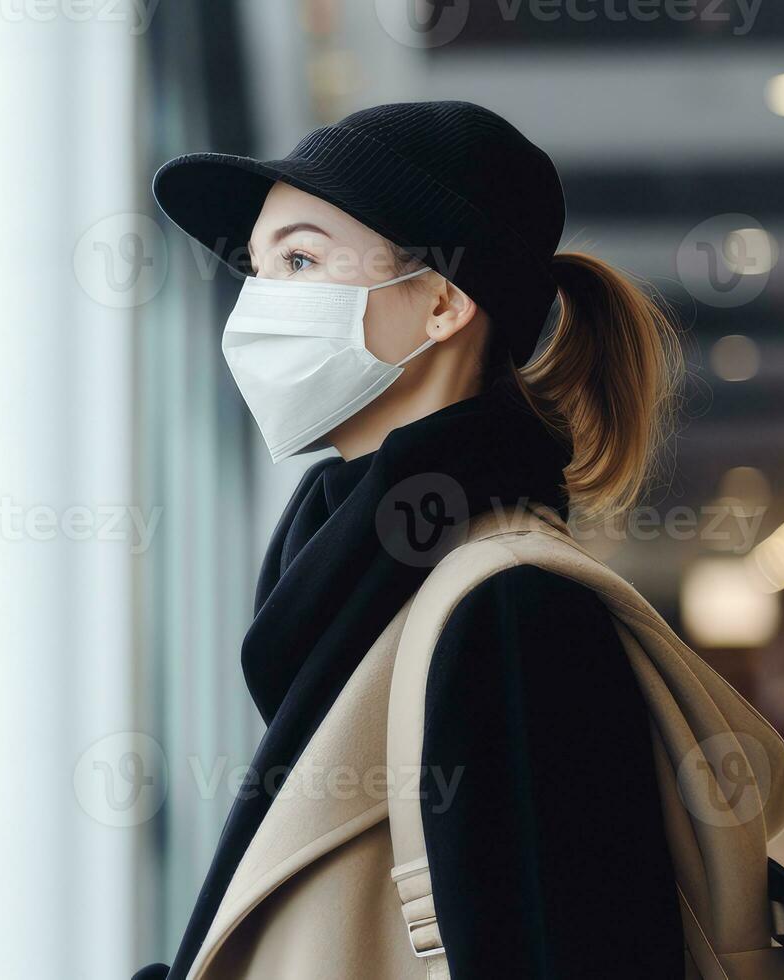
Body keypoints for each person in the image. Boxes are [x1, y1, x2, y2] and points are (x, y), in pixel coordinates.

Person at [135, 101, 689, 979]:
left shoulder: (511, 608)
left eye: (300, 258)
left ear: (440, 303)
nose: (256, 303)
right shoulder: (355, 586)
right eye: (257, 267)